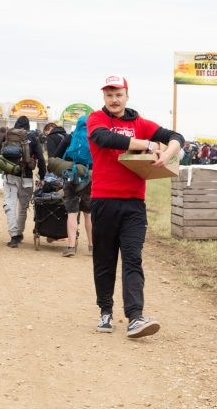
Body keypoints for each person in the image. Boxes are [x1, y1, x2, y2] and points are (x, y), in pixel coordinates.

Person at [87, 75, 184, 338]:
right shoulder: (96, 119)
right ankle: (105, 311)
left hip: (134, 204)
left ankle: (135, 317)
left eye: (118, 94)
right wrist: (149, 144)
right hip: (104, 200)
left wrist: (167, 152)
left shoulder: (141, 123)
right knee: (105, 259)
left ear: (127, 95)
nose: (114, 99)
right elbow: (105, 140)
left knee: (133, 258)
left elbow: (176, 136)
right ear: (104, 98)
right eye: (109, 95)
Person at [0, 115, 46, 248]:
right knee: (23, 208)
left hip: (10, 175)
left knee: (10, 205)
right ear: (28, 127)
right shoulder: (32, 138)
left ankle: (14, 235)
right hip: (26, 177)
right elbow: (41, 160)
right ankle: (19, 232)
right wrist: (42, 177)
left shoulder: (8, 135)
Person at [53, 117, 93, 257]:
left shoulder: (71, 137)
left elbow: (56, 155)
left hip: (71, 176)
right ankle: (92, 246)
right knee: (88, 214)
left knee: (72, 213)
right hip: (90, 177)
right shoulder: (94, 137)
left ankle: (70, 247)